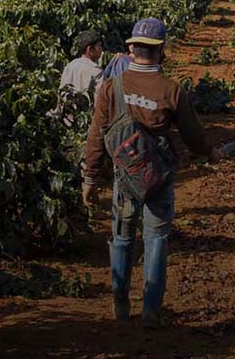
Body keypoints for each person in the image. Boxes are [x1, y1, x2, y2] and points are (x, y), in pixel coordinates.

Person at [82, 17, 222, 328]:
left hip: (124, 177)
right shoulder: (172, 90)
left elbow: (96, 134)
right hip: (159, 177)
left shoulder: (110, 87)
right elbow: (193, 135)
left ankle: (120, 304)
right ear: (162, 52)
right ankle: (151, 310)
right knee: (156, 237)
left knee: (121, 236)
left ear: (131, 49)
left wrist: (90, 177)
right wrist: (210, 153)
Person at [60, 30, 104, 110]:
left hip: (67, 115)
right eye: (99, 46)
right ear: (90, 49)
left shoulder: (70, 66)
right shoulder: (96, 71)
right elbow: (99, 100)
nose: (101, 49)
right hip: (87, 116)